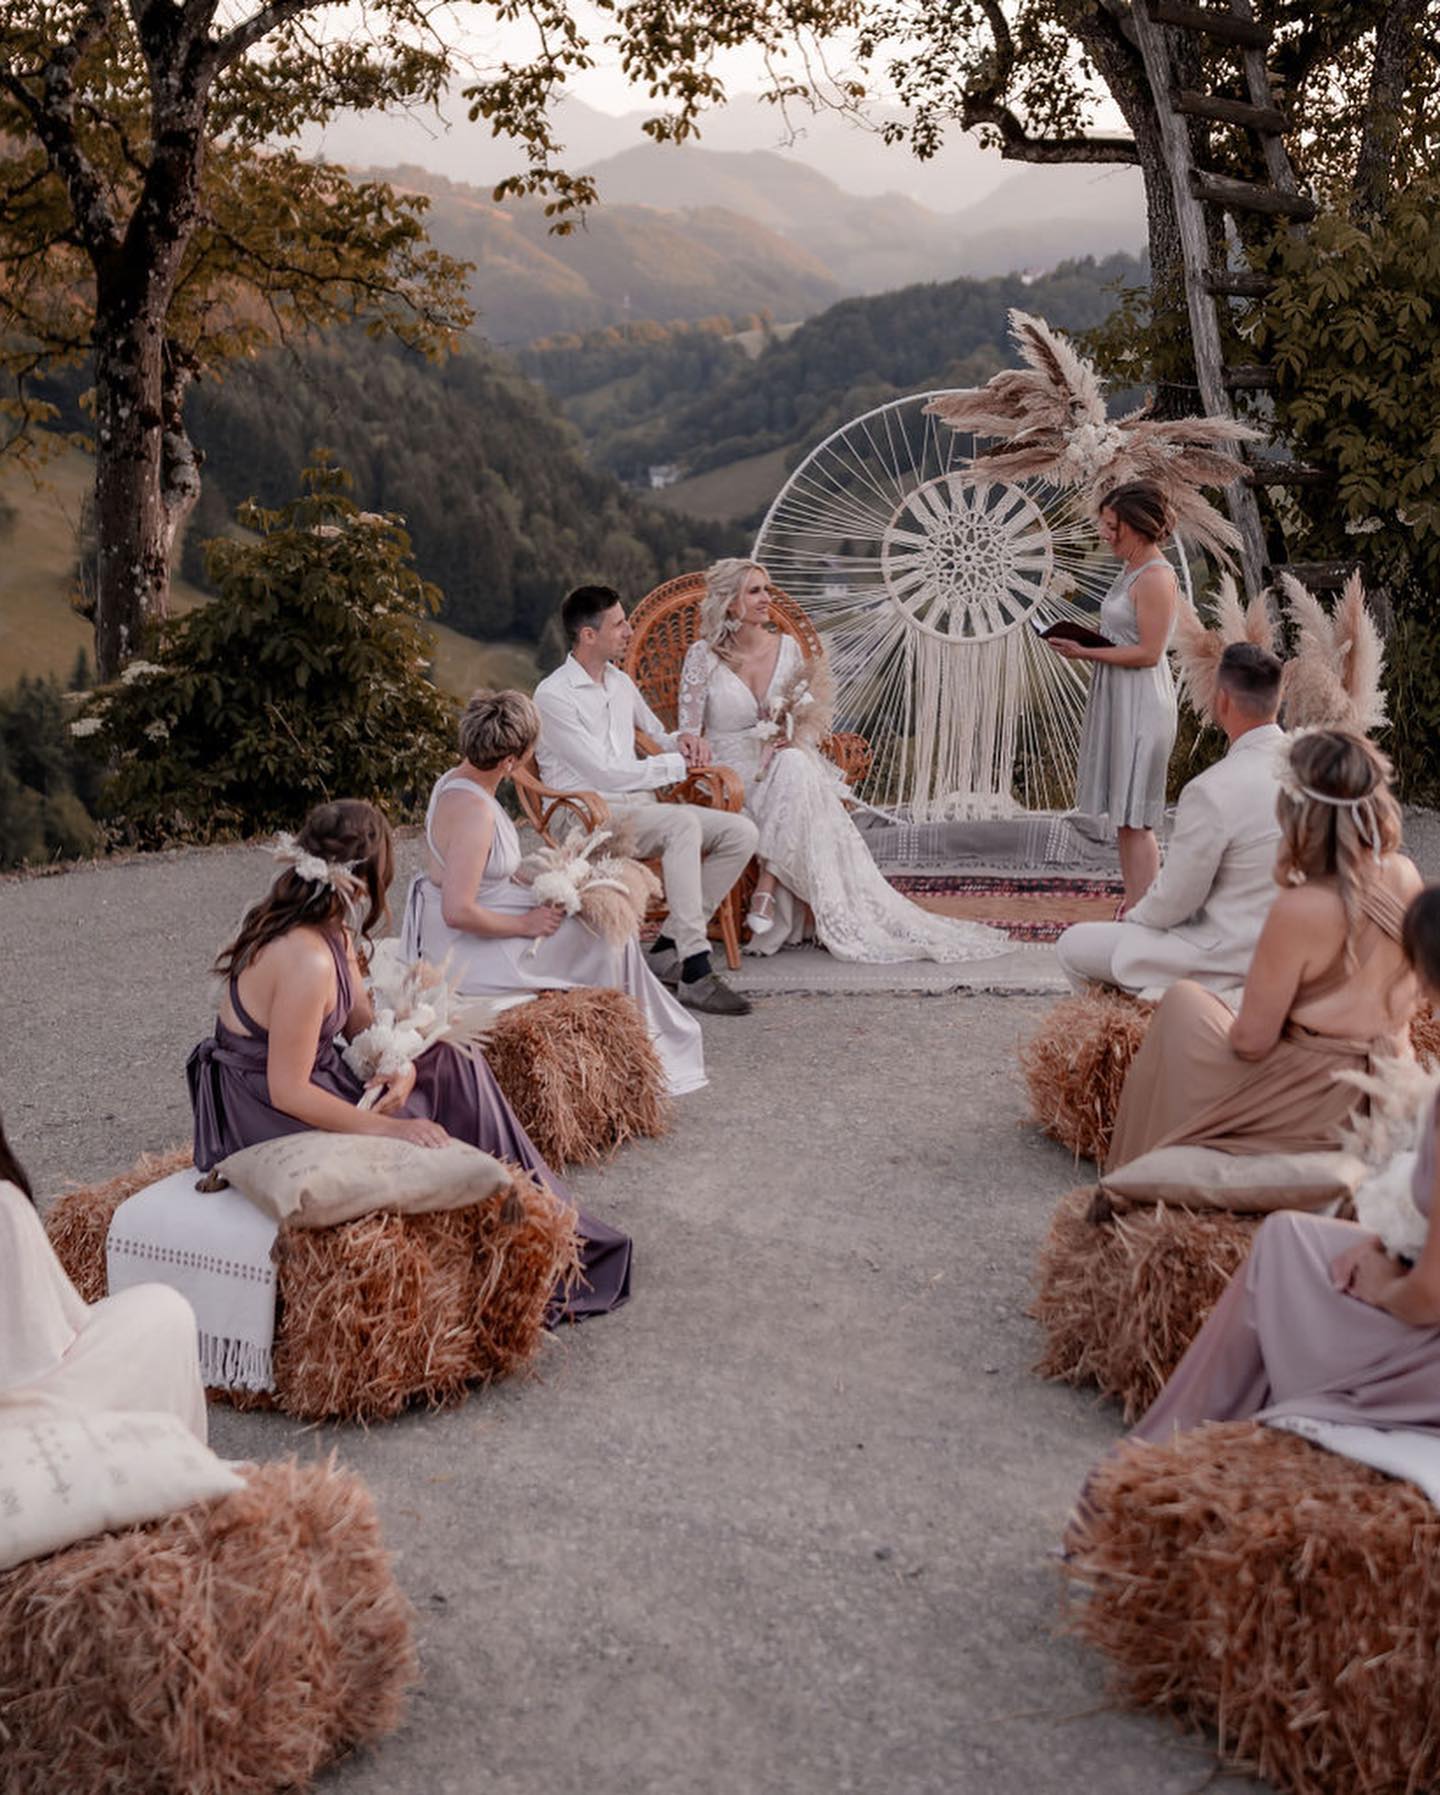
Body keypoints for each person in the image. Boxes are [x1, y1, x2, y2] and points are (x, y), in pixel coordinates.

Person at [187, 799, 629, 1320]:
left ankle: (537, 1216)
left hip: (304, 1081)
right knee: (419, 1122)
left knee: (452, 1061)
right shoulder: (304, 959)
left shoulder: (333, 931)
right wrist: (391, 1130)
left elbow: (361, 1026)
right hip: (265, 1110)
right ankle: (516, 1233)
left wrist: (400, 1062)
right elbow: (288, 1090)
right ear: (371, 878)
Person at [1129, 884, 1440, 1445]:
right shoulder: (1397, 877)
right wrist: (1382, 1246)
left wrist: (1384, 1284)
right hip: (1360, 1114)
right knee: (1286, 1238)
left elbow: (1429, 1296)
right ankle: (1193, 1431)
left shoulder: (1301, 903)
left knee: (1177, 1001)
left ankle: (1181, 1438)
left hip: (1426, 1347)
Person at [1106, 729, 1422, 1176]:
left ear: (1298, 814)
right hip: (1391, 1079)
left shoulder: (1299, 907)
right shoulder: (1407, 875)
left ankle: (1131, 1179)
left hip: (1318, 1101)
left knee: (1182, 1005)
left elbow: (1252, 1041)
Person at [677, 559, 1009, 964]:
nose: (767, 599)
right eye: (755, 591)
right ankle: (771, 893)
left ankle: (767, 884)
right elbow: (688, 729)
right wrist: (691, 742)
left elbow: (810, 723)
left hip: (782, 760)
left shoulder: (787, 649)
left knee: (797, 765)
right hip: (730, 774)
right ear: (730, 603)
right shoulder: (702, 656)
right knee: (799, 776)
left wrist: (792, 736)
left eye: (767, 588)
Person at [400, 689, 706, 1096]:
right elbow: (458, 910)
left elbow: (466, 870)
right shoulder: (475, 814)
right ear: (510, 761)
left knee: (595, 920)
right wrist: (525, 923)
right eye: (529, 752)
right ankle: (630, 1054)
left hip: (475, 912)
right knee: (605, 938)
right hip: (467, 944)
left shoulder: (454, 780)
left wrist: (530, 880)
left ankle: (631, 1047)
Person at [533, 584, 758, 1017]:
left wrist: (684, 743)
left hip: (633, 808)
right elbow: (601, 772)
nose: (628, 630)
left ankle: (669, 945)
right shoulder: (553, 695)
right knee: (682, 825)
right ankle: (694, 968)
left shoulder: (619, 682)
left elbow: (657, 736)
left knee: (741, 832)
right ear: (587, 635)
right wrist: (673, 768)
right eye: (619, 624)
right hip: (584, 815)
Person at [1056, 641, 1285, 996]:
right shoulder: (1320, 771)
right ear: (1278, 699)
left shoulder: (1211, 790)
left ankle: (1122, 1044)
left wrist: (1134, 920)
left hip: (1228, 956)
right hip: (1299, 951)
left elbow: (1176, 900)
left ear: (1222, 700)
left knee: (1073, 945)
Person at [0, 1114, 208, 1440]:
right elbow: (50, 1344)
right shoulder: (6, 1205)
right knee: (165, 1311)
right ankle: (175, 1463)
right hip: (22, 1414)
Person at [1046, 481, 1180, 910]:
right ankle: (1135, 903)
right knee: (1124, 817)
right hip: (1121, 696)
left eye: (1110, 526)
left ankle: (1147, 911)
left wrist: (1085, 651)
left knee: (1137, 818)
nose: (1104, 533)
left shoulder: (1156, 577)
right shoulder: (1130, 569)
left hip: (1142, 702)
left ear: (1137, 526)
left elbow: (1150, 652)